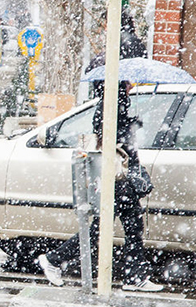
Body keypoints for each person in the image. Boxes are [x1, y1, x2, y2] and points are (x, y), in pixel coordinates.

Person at [37, 82, 163, 293]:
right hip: (118, 175)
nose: (132, 85)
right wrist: (131, 126)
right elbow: (109, 135)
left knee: (129, 226)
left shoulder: (116, 101)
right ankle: (53, 259)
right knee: (105, 227)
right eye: (128, 82)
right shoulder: (112, 102)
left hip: (121, 175)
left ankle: (135, 276)